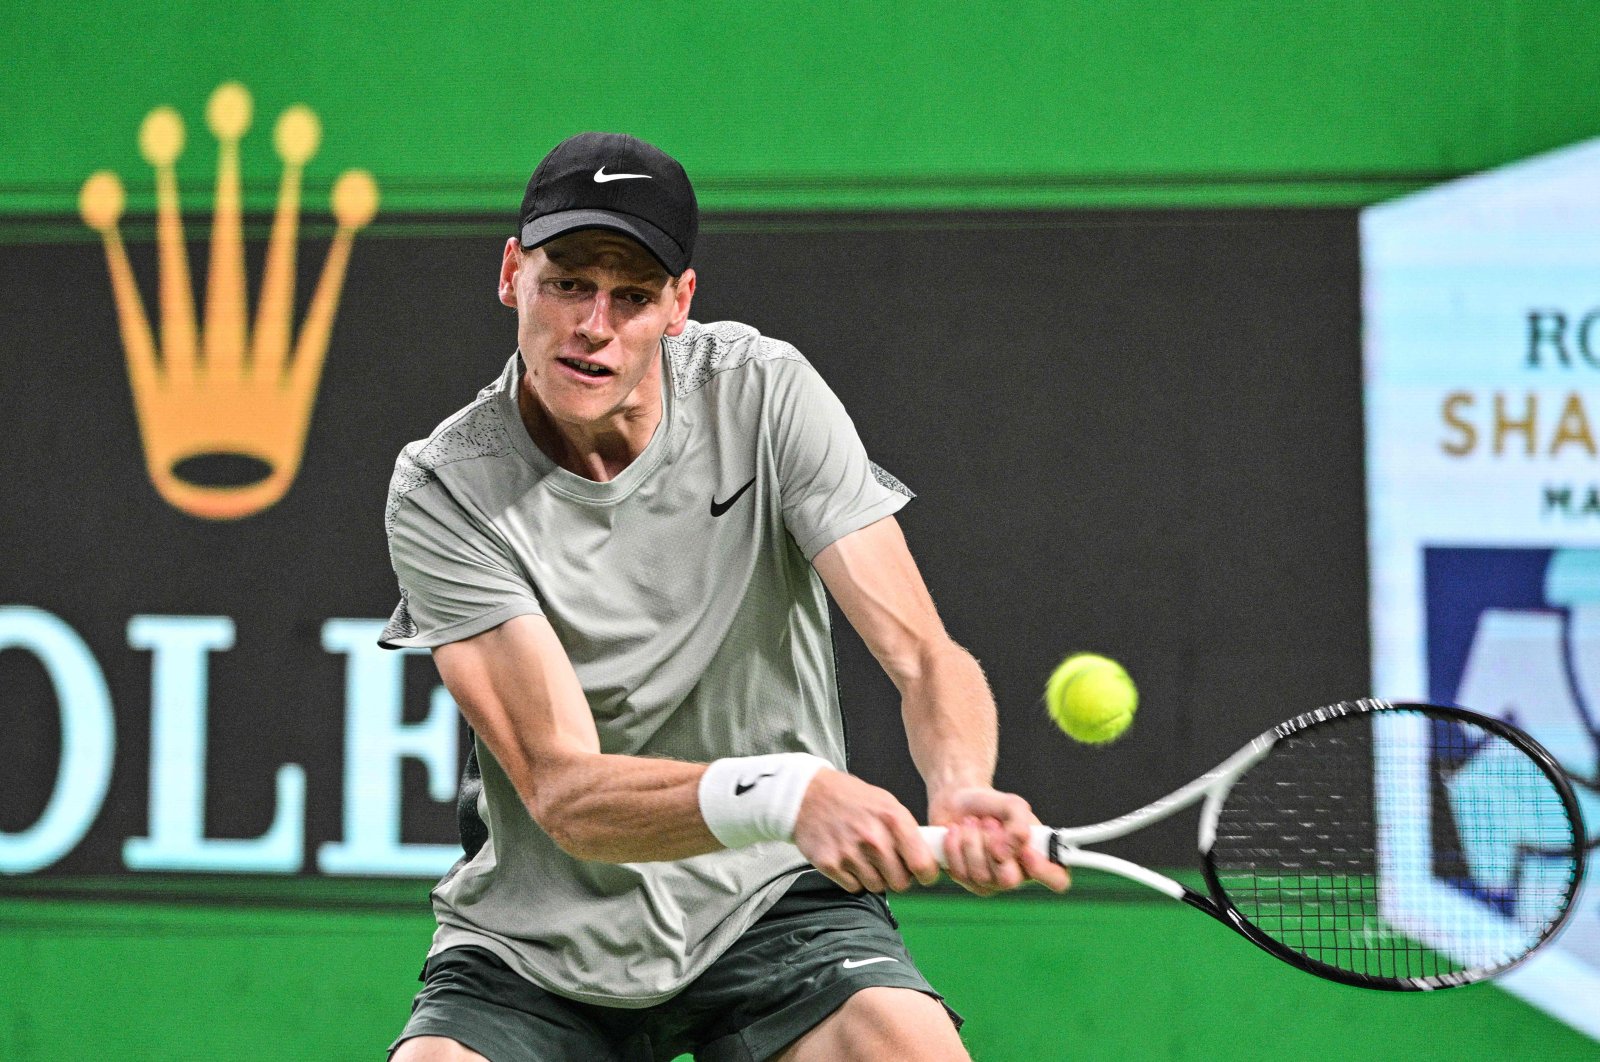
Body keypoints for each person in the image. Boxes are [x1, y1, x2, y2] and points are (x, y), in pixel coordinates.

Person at [381, 131, 1068, 1062]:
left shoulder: (764, 391)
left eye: (633, 296)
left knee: (909, 1051)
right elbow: (564, 791)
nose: (594, 326)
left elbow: (921, 654)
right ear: (512, 275)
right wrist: (784, 790)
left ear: (680, 304)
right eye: (569, 282)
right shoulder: (446, 485)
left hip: (771, 904)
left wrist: (962, 789)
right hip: (537, 941)